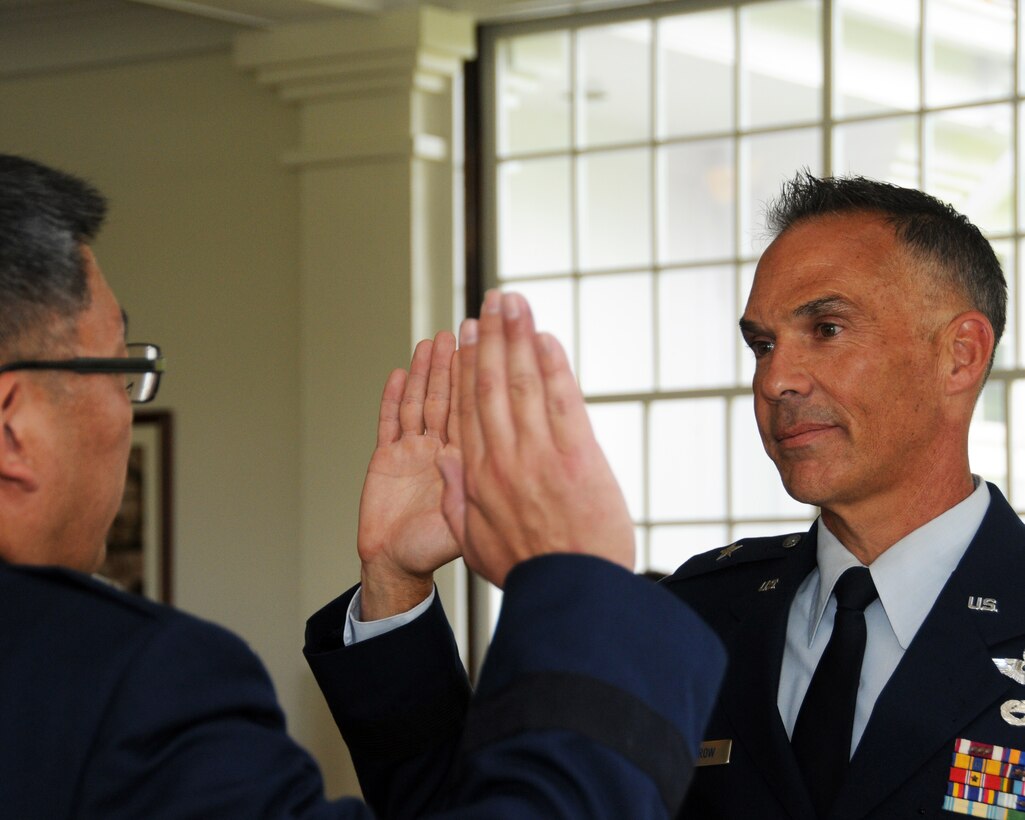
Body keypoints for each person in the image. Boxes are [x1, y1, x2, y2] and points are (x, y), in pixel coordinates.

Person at [0, 153, 726, 819]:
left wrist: (391, 586)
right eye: (120, 373)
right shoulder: (123, 685)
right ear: (12, 424)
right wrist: (587, 585)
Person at [665, 173, 1024, 819]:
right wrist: (413, 591)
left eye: (826, 329)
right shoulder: (696, 616)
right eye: (762, 345)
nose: (775, 380)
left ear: (960, 355)